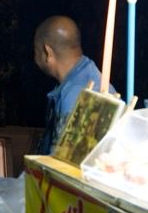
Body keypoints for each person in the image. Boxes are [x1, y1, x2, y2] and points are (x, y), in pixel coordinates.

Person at [34, 15, 115, 154]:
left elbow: (60, 167)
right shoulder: (86, 76)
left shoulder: (75, 96)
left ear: (48, 52)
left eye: (35, 50)